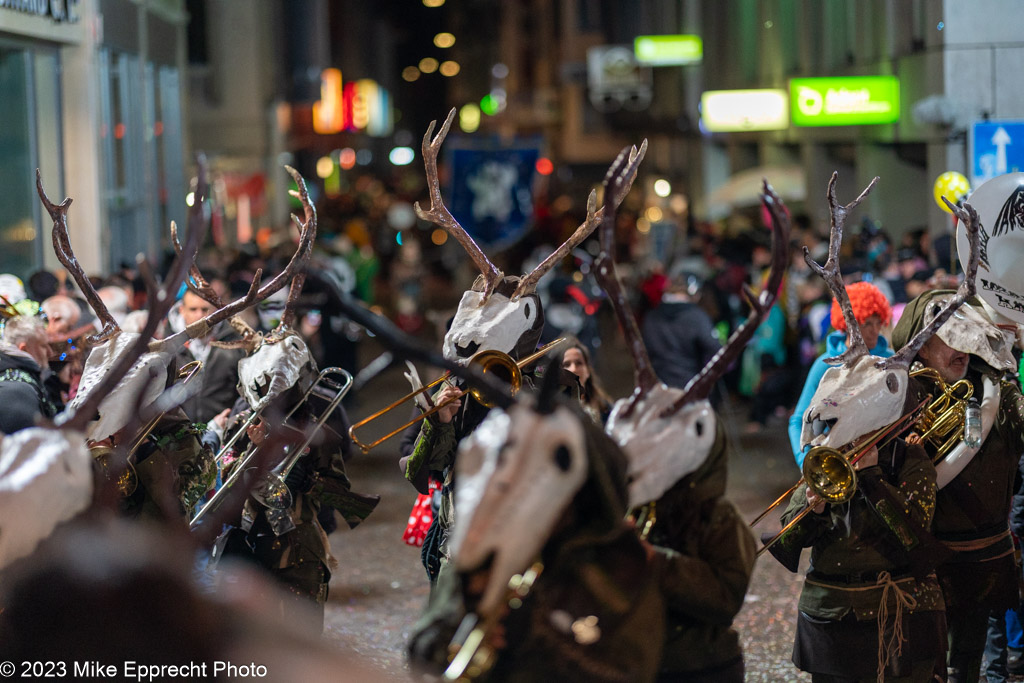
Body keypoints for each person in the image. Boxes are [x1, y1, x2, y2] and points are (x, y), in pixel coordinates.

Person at [891, 291, 1024, 683]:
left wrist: (1007, 369)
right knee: (923, 664)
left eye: (968, 336)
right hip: (927, 569)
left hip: (981, 563)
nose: (962, 347)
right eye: (949, 337)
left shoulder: (995, 392)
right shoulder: (901, 395)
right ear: (921, 347)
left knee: (967, 659)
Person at [773, 429, 948, 683]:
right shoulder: (825, 453)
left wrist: (871, 478)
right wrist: (813, 510)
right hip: (830, 616)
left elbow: (915, 533)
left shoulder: (908, 455)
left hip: (896, 613)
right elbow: (788, 540)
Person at [789, 281, 893, 467]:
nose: (875, 331)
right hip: (835, 460)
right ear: (847, 324)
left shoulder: (890, 360)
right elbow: (798, 420)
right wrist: (806, 462)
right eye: (867, 323)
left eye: (878, 322)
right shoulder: (825, 365)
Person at [172, 290, 246, 424]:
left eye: (205, 309)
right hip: (179, 434)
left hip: (224, 430)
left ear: (215, 311)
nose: (199, 315)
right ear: (182, 310)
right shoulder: (170, 346)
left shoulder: (234, 344)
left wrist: (233, 420)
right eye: (193, 309)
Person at [640, 272, 722, 391]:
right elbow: (717, 350)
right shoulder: (697, 317)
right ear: (694, 293)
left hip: (658, 387)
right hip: (691, 388)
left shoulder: (650, 316)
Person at [0, 315, 61, 433]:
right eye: (43, 346)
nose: (50, 352)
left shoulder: (22, 379)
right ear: (24, 349)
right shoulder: (16, 388)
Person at [559, 338, 612, 424]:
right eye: (567, 364)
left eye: (579, 363)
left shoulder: (605, 409)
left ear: (588, 370)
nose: (574, 369)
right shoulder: (554, 412)